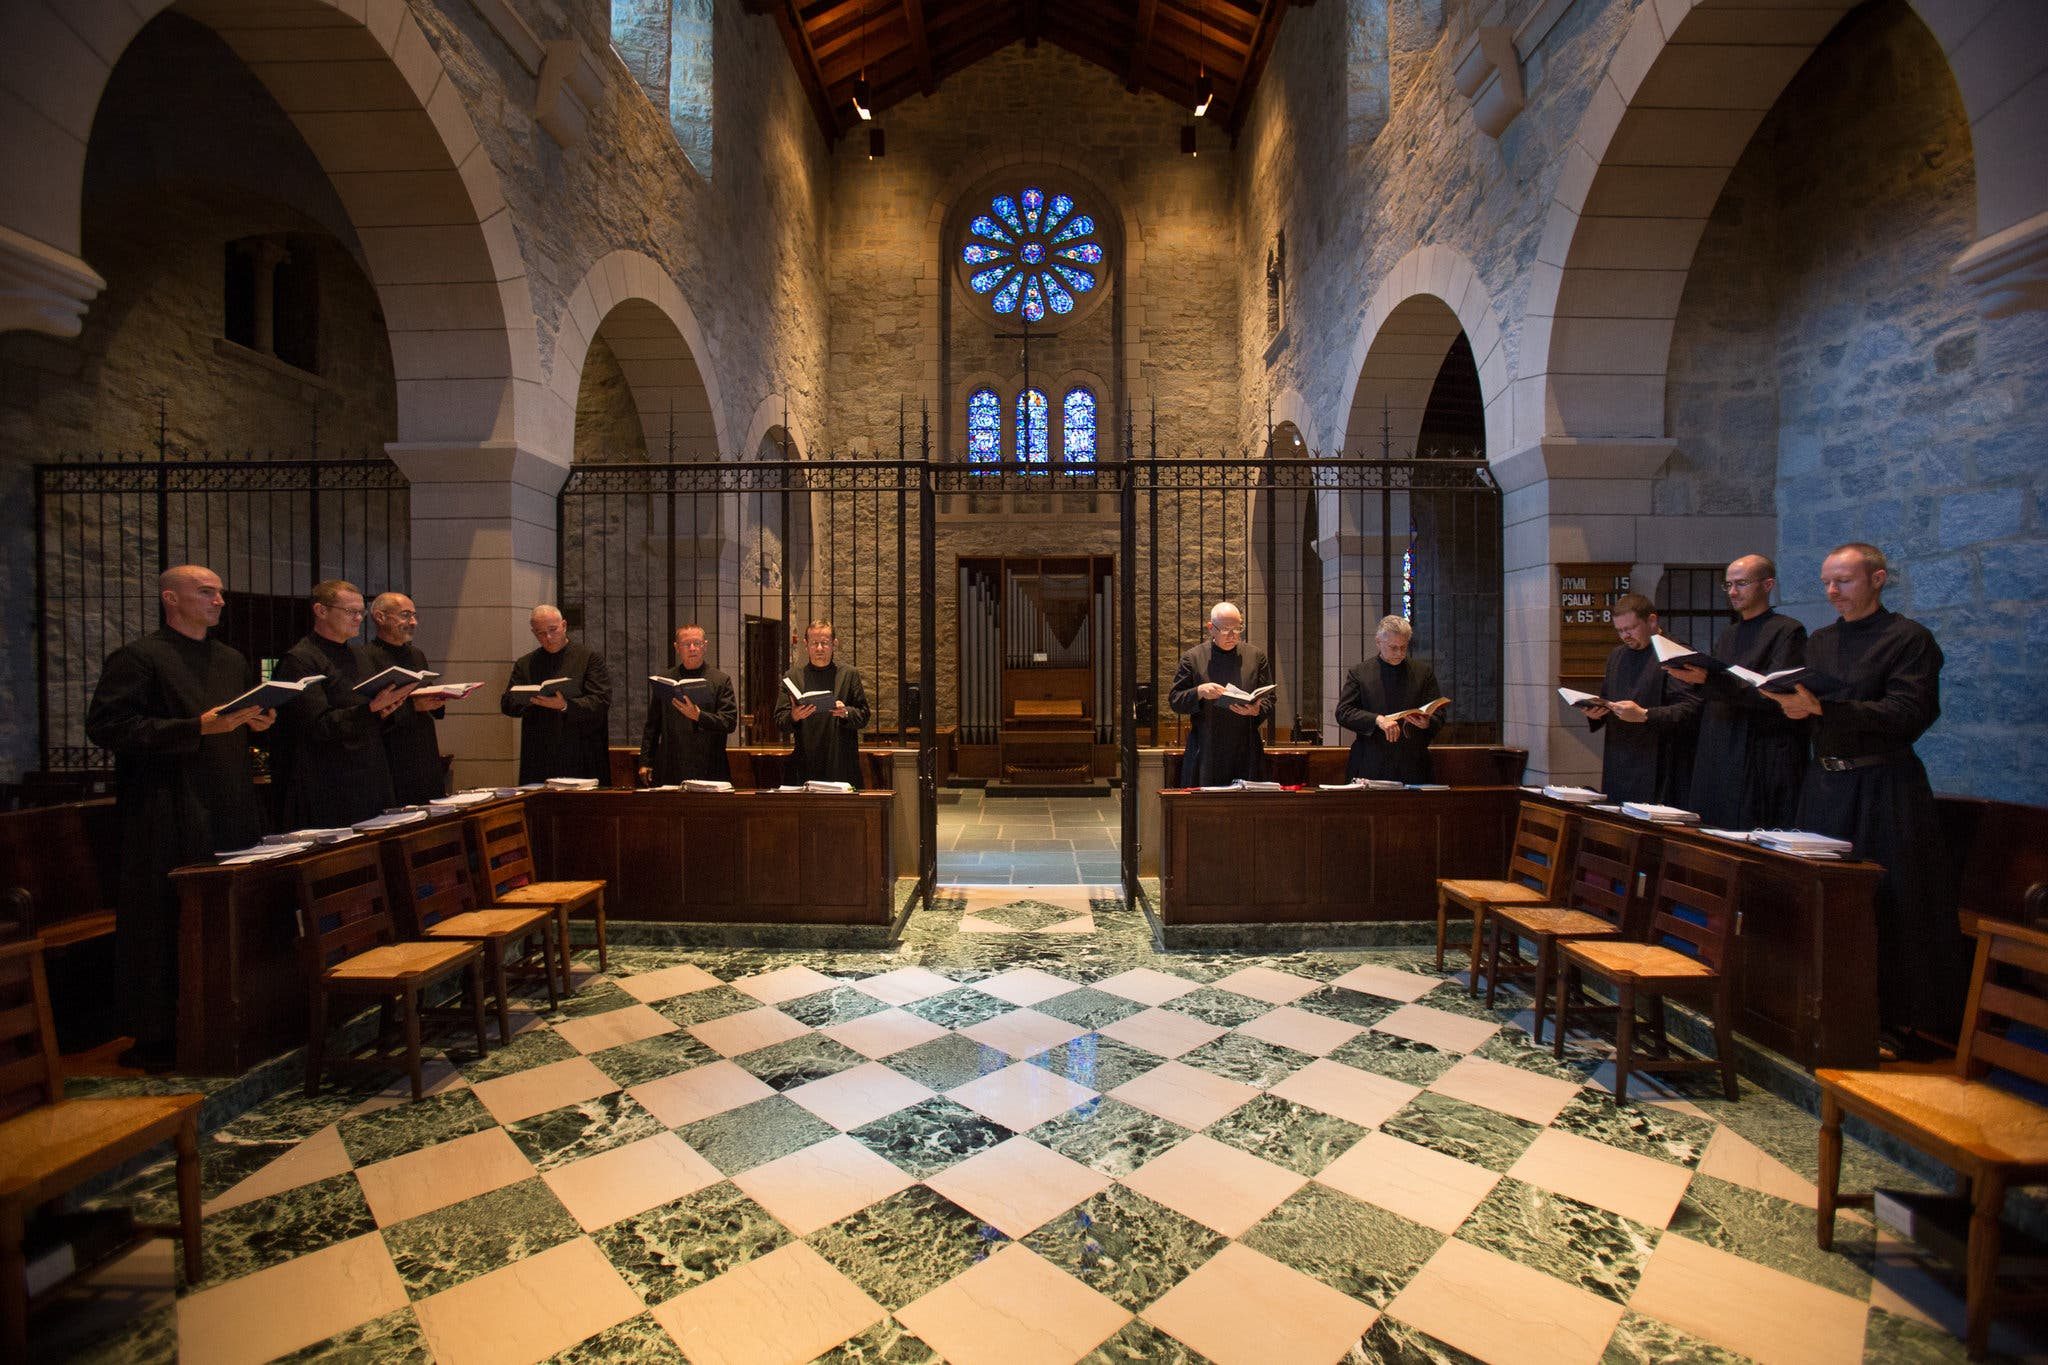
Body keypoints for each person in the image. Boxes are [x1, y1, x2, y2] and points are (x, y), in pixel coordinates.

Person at [1766, 542, 1963, 1053]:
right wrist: (1793, 707)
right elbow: (1810, 707)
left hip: (1883, 787)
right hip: (1826, 785)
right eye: (1827, 582)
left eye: (1845, 581)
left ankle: (1891, 1020)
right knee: (1819, 896)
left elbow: (1909, 713)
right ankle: (1819, 1007)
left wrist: (1824, 710)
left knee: (1886, 901)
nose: (1832, 591)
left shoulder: (1910, 640)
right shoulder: (1821, 642)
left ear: (1877, 579)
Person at [85, 566, 274, 1071]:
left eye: (219, 592)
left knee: (229, 914)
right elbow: (107, 727)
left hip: (229, 798)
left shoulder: (231, 659)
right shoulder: (140, 658)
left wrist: (258, 719)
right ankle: (159, 1032)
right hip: (166, 808)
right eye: (205, 592)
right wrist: (195, 728)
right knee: (164, 918)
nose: (218, 601)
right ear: (171, 598)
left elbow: (236, 721)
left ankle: (231, 1019)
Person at [1668, 555, 1808, 829]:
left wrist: (1709, 679)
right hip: (1720, 745)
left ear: (1767, 585)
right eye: (1728, 584)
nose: (1732, 591)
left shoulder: (1787, 631)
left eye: (1741, 583)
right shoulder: (1729, 634)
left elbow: (1776, 693)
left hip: (1758, 751)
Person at [271, 580, 415, 827]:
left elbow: (373, 717)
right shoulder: (301, 660)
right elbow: (317, 726)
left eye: (361, 612)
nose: (359, 618)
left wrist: (387, 708)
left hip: (370, 776)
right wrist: (371, 710)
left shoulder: (359, 656)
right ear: (321, 611)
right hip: (328, 783)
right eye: (351, 612)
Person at [1579, 593, 1699, 804]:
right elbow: (1607, 700)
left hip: (1658, 762)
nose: (1625, 636)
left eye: (1630, 628)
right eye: (1620, 631)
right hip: (1619, 758)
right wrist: (1596, 713)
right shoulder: (1617, 655)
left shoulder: (1675, 653)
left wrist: (1645, 714)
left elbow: (1689, 710)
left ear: (1652, 621)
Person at [501, 605, 613, 784]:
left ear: (564, 625)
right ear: (533, 633)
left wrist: (565, 705)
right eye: (540, 633)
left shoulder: (588, 659)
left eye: (553, 630)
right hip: (539, 754)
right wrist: (531, 699)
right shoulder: (525, 663)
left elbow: (600, 701)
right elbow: (507, 704)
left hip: (580, 752)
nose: (548, 638)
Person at [1167, 602, 1274, 786]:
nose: (1233, 635)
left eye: (1237, 628)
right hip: (1207, 749)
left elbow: (1270, 699)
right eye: (1225, 630)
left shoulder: (1256, 657)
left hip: (1245, 748)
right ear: (1211, 628)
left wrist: (1256, 709)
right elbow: (1175, 700)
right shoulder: (1193, 658)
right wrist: (1199, 691)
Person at [1336, 615, 1447, 783]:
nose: (1399, 653)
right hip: (1371, 762)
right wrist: (1378, 720)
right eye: (1393, 647)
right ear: (1378, 642)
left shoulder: (1423, 673)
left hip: (1413, 763)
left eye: (1404, 647)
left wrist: (1428, 722)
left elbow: (1439, 713)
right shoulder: (1360, 673)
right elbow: (1344, 712)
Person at [366, 592, 448, 804]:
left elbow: (426, 699)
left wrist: (438, 699)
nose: (413, 622)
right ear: (379, 617)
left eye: (414, 615)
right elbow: (369, 711)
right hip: (392, 754)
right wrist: (413, 707)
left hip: (424, 749)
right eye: (405, 615)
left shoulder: (416, 655)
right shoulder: (365, 657)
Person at [639, 623, 738, 785]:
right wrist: (646, 761)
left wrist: (699, 716)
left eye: (697, 643)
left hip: (709, 765)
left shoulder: (720, 680)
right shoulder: (665, 681)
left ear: (705, 646)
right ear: (677, 647)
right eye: (686, 644)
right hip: (672, 764)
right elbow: (652, 725)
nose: (692, 648)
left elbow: (729, 722)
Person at [774, 620, 870, 786]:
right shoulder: (793, 677)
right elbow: (779, 720)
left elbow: (864, 715)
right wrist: (794, 716)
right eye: (814, 643)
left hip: (840, 762)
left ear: (834, 644)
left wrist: (846, 712)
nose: (819, 649)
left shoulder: (849, 674)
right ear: (805, 644)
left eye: (824, 643)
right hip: (806, 761)